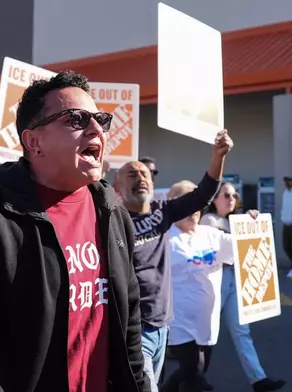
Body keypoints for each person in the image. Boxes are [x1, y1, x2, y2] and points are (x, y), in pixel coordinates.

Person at [0, 70, 150, 392]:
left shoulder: (111, 210)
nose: (96, 130)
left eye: (100, 120)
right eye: (75, 119)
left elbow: (128, 321)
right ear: (33, 141)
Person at [115, 130, 231, 392]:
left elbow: (204, 194)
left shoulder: (163, 212)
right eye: (132, 174)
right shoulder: (112, 222)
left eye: (145, 174)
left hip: (162, 328)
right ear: (116, 188)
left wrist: (218, 156)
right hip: (134, 332)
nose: (141, 177)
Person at [200, 183, 285, 392]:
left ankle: (258, 379)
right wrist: (244, 224)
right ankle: (193, 378)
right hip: (214, 280)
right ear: (214, 199)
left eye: (234, 195)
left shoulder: (235, 220)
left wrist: (252, 221)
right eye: (226, 195)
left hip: (232, 278)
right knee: (205, 333)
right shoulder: (208, 220)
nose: (231, 198)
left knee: (241, 331)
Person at [161, 181, 235, 392]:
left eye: (197, 205)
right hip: (179, 322)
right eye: (187, 204)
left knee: (196, 372)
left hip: (207, 321)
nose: (193, 211)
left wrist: (253, 223)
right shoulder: (164, 237)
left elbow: (245, 243)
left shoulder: (210, 234)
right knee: (194, 376)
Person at [280, 176, 292, 278]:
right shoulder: (285, 193)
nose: (287, 183)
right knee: (286, 246)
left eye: (289, 181)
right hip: (286, 223)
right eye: (286, 181)